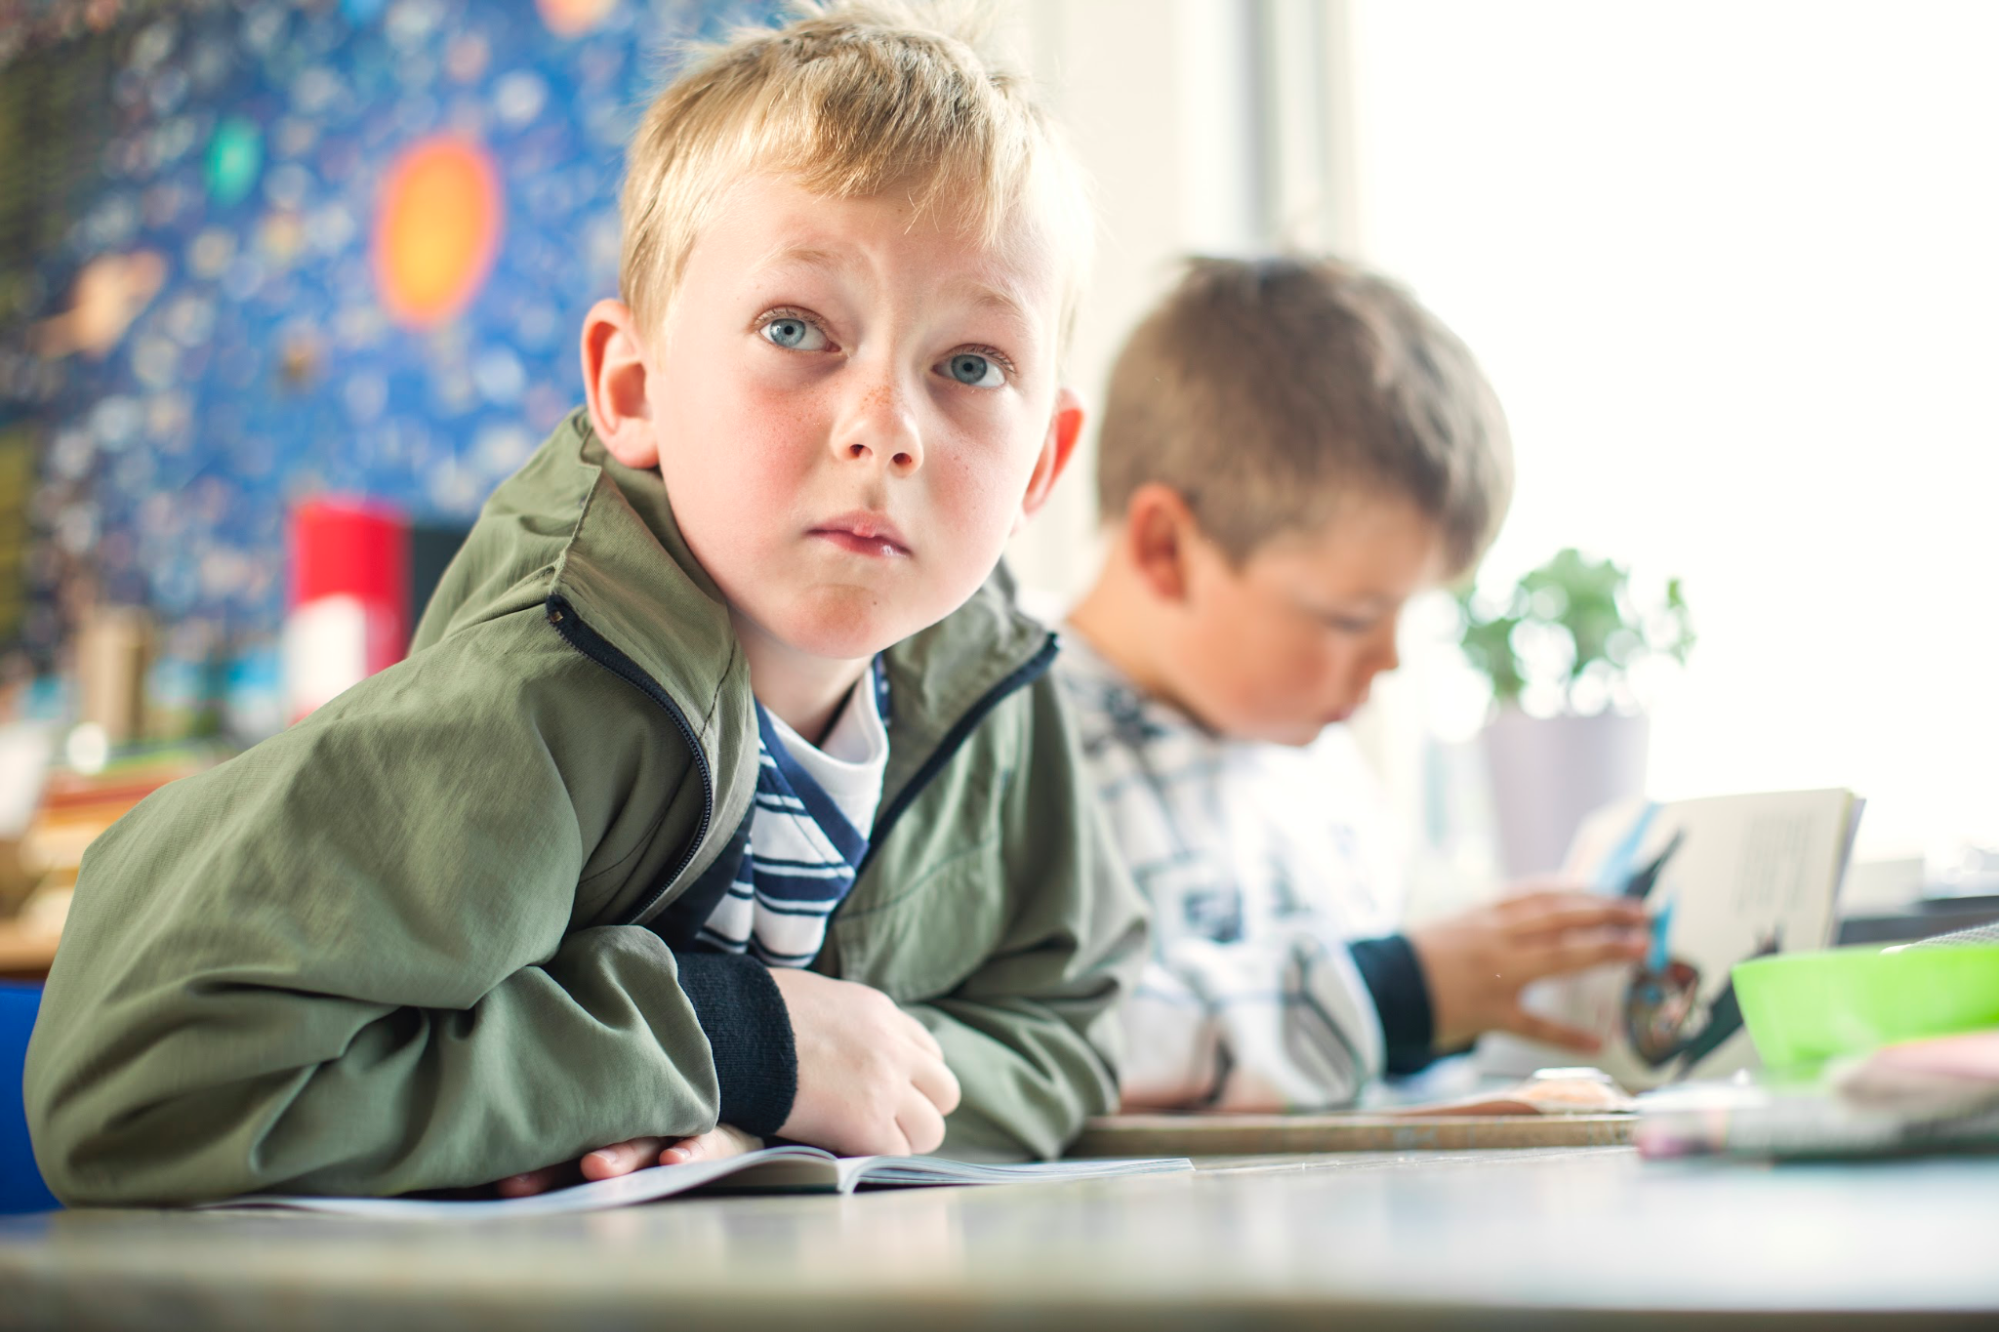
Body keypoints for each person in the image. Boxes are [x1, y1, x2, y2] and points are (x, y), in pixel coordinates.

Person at [27, 1, 1145, 1204]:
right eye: (796, 329)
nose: (884, 426)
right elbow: (125, 1090)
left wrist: (818, 1101)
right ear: (632, 388)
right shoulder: (532, 695)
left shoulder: (994, 694)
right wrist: (724, 1045)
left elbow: (1067, 1025)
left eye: (969, 365)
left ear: (1040, 465)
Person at [1057, 256, 1650, 1110]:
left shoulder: (1312, 760)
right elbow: (1046, 1040)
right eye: (1347, 617)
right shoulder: (1010, 738)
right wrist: (1391, 994)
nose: (1388, 661)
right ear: (1165, 549)